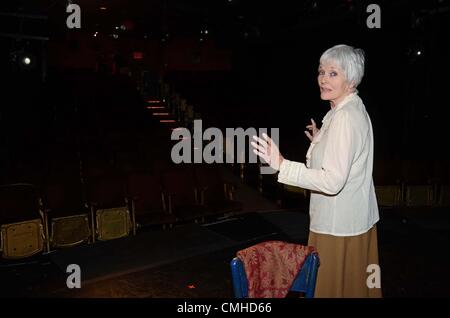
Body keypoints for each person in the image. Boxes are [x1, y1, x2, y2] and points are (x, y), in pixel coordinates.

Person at [251, 44, 382, 298]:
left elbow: (333, 182)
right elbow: (347, 155)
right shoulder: (348, 108)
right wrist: (321, 140)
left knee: (331, 289)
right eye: (321, 71)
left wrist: (282, 165)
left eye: (333, 73)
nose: (323, 78)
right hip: (351, 220)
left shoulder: (344, 117)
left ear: (351, 79)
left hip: (338, 226)